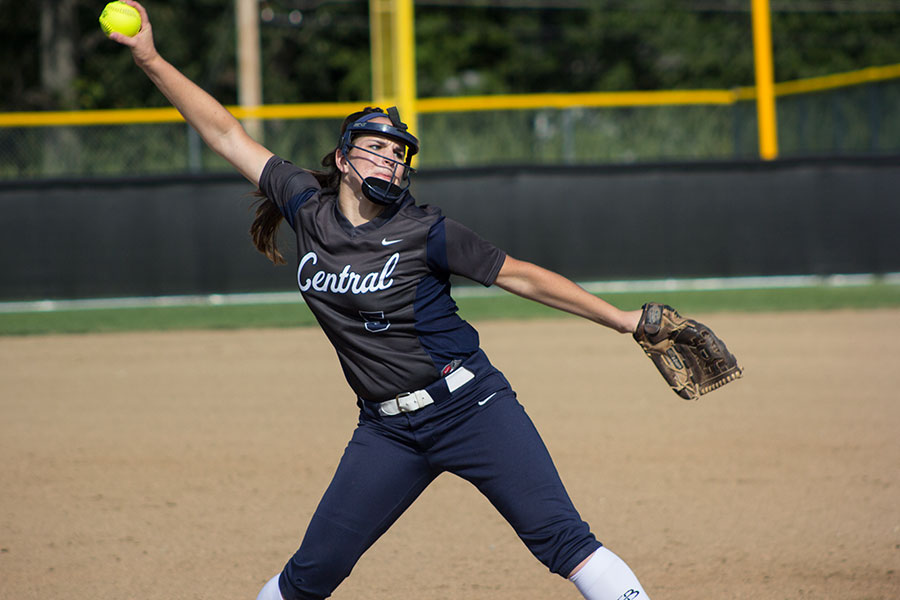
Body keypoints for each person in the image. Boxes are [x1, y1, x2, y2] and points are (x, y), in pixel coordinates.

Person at [111, 2, 651, 599]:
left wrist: (623, 320)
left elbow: (520, 276)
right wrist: (151, 59)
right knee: (313, 572)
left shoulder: (426, 229)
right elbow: (223, 133)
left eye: (399, 154)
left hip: (472, 407)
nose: (391, 160)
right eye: (376, 148)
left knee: (564, 541)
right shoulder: (305, 208)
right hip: (387, 432)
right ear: (342, 159)